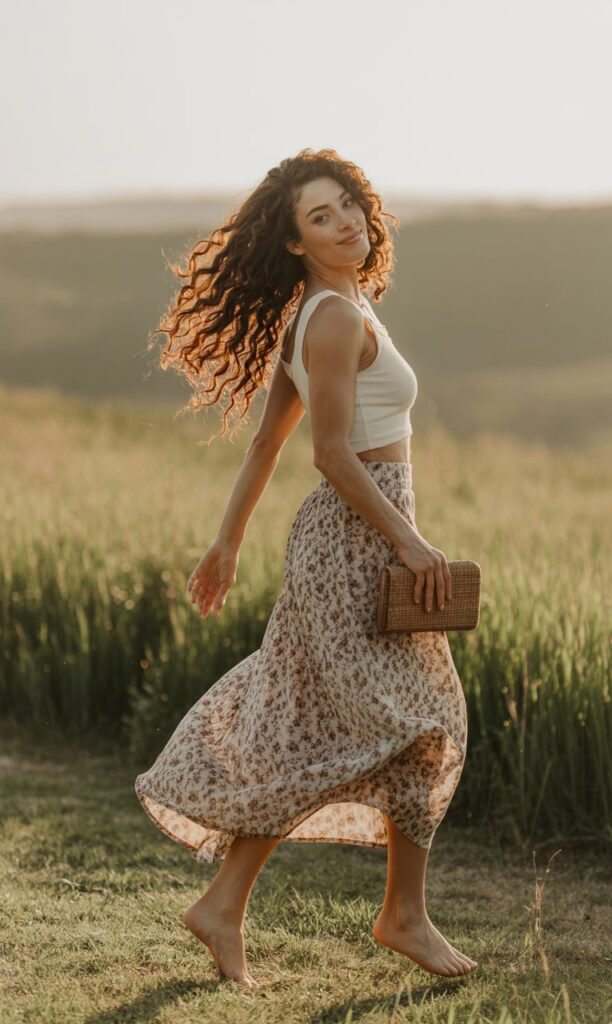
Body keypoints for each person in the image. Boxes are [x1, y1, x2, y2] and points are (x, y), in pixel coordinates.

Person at [135, 148, 477, 988]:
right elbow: (327, 453)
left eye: (347, 204)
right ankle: (400, 915)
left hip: (354, 539)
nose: (343, 222)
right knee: (415, 722)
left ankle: (238, 905)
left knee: (333, 728)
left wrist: (227, 543)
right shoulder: (328, 318)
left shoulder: (338, 306)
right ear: (294, 242)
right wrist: (406, 538)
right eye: (318, 217)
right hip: (355, 545)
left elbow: (263, 445)